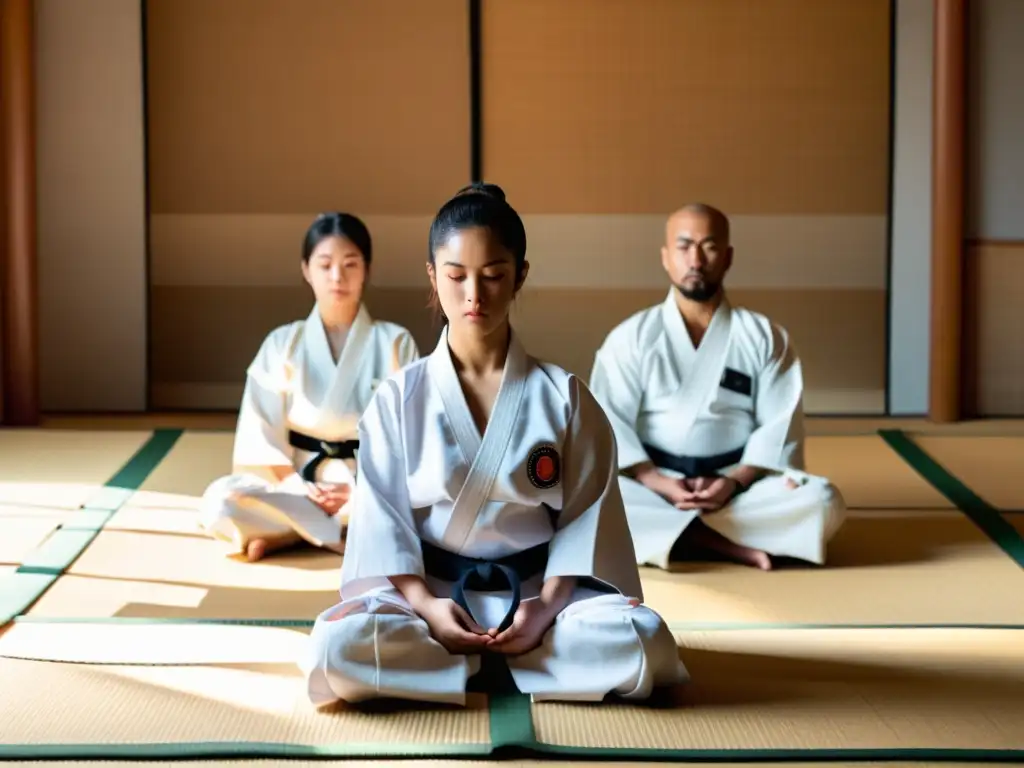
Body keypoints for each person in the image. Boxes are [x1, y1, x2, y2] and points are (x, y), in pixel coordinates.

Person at [300, 184, 687, 707]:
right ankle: (524, 666)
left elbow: (586, 520)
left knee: (643, 641)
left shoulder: (564, 397)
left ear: (520, 275)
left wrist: (546, 607)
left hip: (540, 600)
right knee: (334, 646)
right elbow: (382, 521)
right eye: (456, 277)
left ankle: (455, 669)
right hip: (429, 601)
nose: (473, 296)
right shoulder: (398, 397)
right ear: (433, 276)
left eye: (494, 276)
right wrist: (427, 606)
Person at [588, 203, 846, 572]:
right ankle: (720, 542)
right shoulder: (631, 338)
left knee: (822, 499)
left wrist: (733, 481)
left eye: (708, 246)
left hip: (738, 488)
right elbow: (606, 421)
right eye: (683, 246)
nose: (695, 259)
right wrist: (656, 480)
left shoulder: (763, 337)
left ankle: (681, 538)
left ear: (727, 257)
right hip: (656, 488)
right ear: (665, 257)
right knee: (585, 500)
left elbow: (779, 425)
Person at [199, 212, 420, 562]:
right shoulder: (282, 343)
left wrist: (356, 492)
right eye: (325, 264)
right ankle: (332, 532)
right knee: (221, 500)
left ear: (367, 269)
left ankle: (292, 533)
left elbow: (410, 440)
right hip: (296, 482)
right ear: (306, 270)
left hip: (367, 485)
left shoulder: (394, 342)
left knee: (425, 505)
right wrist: (300, 489)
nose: (337, 276)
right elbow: (260, 437)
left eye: (350, 264)